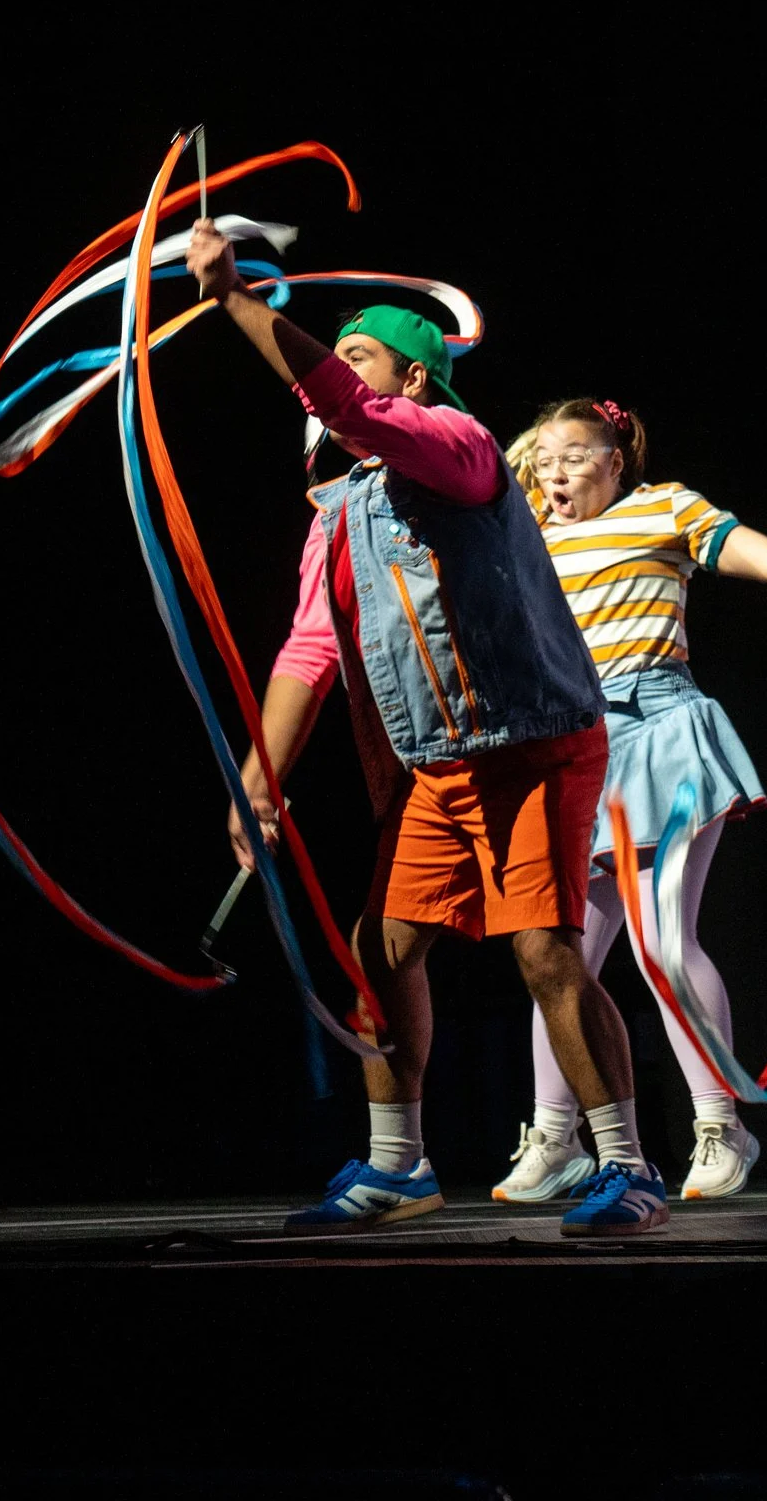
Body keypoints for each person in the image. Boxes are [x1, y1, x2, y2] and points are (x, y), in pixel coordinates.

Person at [189, 223, 669, 1239]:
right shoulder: (338, 512)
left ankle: (627, 1164)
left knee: (542, 951)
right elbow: (309, 651)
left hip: (530, 743)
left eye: (360, 352)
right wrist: (258, 776)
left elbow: (347, 404)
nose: (335, 370)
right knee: (381, 947)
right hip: (435, 767)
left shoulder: (459, 448)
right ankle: (398, 1163)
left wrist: (237, 301)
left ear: (415, 372)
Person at [490, 400, 767, 1206]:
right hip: (577, 748)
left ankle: (719, 1124)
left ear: (617, 459)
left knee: (663, 944)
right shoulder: (530, 538)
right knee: (559, 958)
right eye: (546, 457)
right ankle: (556, 1136)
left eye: (576, 454)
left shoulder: (664, 507)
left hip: (662, 733)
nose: (555, 471)